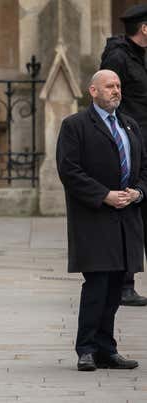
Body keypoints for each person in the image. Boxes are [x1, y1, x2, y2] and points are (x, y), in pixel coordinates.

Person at [56, 70, 147, 371]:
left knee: (116, 288)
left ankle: (107, 349)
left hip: (126, 218)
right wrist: (104, 195)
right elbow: (69, 171)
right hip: (94, 217)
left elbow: (144, 168)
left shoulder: (130, 125)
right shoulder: (75, 126)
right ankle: (86, 349)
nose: (116, 91)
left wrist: (138, 192)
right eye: (110, 86)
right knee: (96, 285)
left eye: (119, 86)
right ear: (92, 90)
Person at [100, 4, 147, 307]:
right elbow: (109, 99)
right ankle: (125, 285)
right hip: (132, 145)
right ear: (145, 28)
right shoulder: (118, 56)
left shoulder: (141, 56)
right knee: (130, 213)